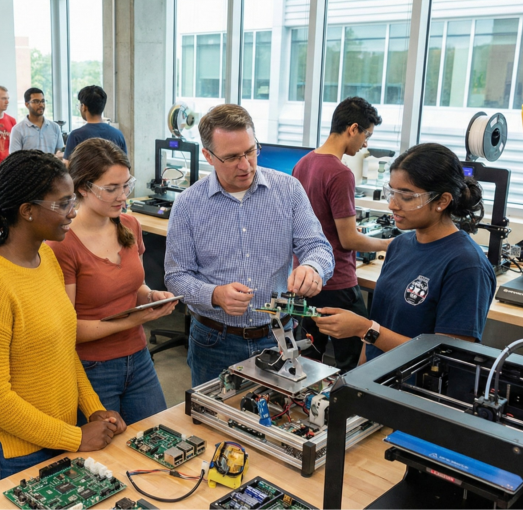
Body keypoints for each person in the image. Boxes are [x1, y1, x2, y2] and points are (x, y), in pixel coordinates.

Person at [0, 149, 126, 487]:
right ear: (27, 211)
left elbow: (63, 351)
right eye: (63, 203)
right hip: (10, 453)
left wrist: (94, 409)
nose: (73, 211)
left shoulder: (46, 258)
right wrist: (75, 437)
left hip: (56, 436)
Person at [164, 104, 335, 387]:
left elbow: (318, 246)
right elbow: (176, 276)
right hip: (214, 341)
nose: (245, 165)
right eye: (231, 157)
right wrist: (214, 294)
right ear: (208, 156)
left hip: (278, 335)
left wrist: (313, 268)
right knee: (213, 423)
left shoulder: (288, 189)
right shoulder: (188, 204)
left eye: (250, 151)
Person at [313, 143, 497, 362]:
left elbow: (447, 356)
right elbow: (378, 327)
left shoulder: (466, 266)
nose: (392, 204)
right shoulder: (399, 245)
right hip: (374, 381)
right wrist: (358, 375)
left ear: (442, 201)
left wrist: (365, 330)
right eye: (391, 192)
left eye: (406, 197)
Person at [46, 138, 175, 425]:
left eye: (126, 185)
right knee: (106, 462)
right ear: (83, 188)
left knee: (158, 436)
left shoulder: (129, 225)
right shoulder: (62, 244)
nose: (123, 196)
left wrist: (151, 297)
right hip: (91, 368)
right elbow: (68, 330)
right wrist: (135, 320)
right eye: (111, 189)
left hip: (139, 358)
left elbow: (135, 287)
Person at [291, 97, 391, 372]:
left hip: (308, 278)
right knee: (359, 362)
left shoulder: (304, 163)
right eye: (366, 135)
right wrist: (387, 243)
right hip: (338, 282)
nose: (366, 144)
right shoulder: (340, 173)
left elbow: (316, 220)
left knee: (307, 359)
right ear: (353, 128)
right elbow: (348, 240)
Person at [64, 86, 127, 160]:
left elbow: (68, 165)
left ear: (84, 107)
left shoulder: (76, 136)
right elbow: (125, 165)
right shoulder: (118, 134)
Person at [10, 87, 64, 158]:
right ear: (27, 104)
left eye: (42, 101)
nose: (41, 105)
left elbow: (60, 154)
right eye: (36, 101)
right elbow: (14, 159)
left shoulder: (55, 127)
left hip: (51, 168)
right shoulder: (18, 130)